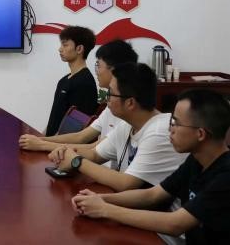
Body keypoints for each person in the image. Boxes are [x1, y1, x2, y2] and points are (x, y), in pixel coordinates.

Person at [72, 89, 230, 244]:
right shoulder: (196, 160)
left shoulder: (225, 176)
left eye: (175, 123)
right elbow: (152, 195)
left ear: (200, 134)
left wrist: (104, 209)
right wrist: (101, 199)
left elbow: (175, 224)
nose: (170, 129)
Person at [49, 63, 186, 192]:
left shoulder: (159, 131)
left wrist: (76, 161)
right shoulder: (127, 125)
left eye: (110, 92)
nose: (106, 97)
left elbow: (126, 183)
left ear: (130, 103)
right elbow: (95, 154)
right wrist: (67, 152)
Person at [20, 40, 137, 152]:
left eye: (98, 65)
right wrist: (40, 140)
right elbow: (80, 136)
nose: (96, 71)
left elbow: (94, 149)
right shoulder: (110, 107)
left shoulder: (127, 113)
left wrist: (42, 144)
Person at [44, 26, 98, 136]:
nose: (60, 49)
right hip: (50, 140)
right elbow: (55, 117)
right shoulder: (63, 80)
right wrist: (42, 136)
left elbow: (76, 127)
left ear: (79, 49)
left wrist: (47, 142)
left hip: (60, 144)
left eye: (65, 45)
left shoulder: (85, 82)